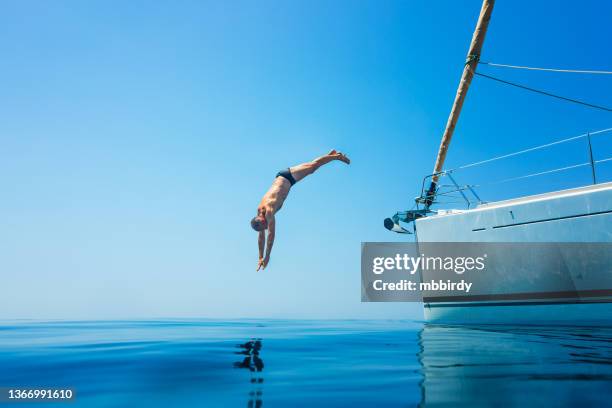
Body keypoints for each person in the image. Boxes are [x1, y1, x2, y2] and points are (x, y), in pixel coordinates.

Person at [251, 150, 350, 270]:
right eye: (264, 228)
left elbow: (271, 235)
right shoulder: (260, 217)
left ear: (261, 220)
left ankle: (336, 156)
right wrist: (260, 257)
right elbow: (261, 237)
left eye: (264, 227)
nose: (266, 229)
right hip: (288, 181)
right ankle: (331, 154)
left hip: (286, 176)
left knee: (312, 167)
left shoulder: (269, 211)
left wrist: (267, 256)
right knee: (312, 167)